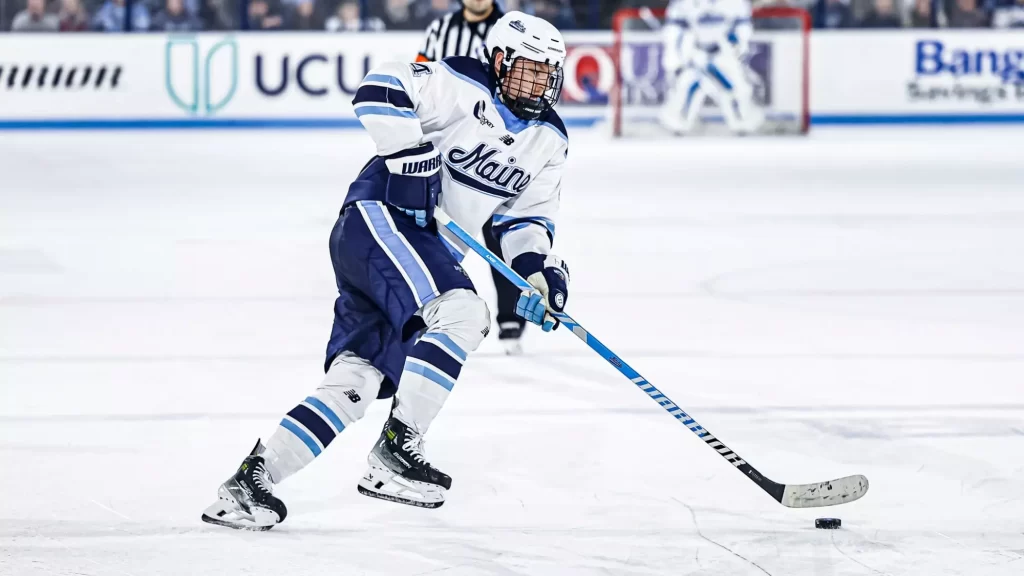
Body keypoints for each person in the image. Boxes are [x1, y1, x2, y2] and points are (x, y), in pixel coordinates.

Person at [202, 11, 570, 530]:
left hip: (412, 252)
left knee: (357, 381)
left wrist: (536, 275)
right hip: (381, 221)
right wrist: (410, 155)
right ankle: (398, 448)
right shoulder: (459, 82)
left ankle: (249, 483)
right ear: (499, 59)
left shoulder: (549, 141)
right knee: (463, 312)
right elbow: (378, 88)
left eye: (546, 73)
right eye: (527, 69)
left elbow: (525, 220)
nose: (536, 83)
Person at [416, 0, 528, 354]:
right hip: (446, 152)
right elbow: (419, 80)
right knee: (432, 238)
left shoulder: (513, 29)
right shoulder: (440, 31)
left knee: (500, 236)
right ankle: (422, 313)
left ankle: (511, 318)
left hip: (493, 153)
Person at [658, 0, 763, 135]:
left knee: (736, 90)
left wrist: (737, 46)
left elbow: (743, 28)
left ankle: (742, 124)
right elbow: (674, 30)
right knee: (687, 87)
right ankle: (678, 125)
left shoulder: (736, 2)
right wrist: (678, 53)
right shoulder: (683, 3)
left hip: (723, 53)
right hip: (695, 54)